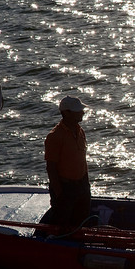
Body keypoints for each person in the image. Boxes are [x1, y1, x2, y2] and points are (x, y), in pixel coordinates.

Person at [42, 96, 91, 231]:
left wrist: (86, 184)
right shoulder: (55, 136)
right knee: (62, 223)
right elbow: (51, 168)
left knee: (81, 220)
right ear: (67, 113)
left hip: (81, 185)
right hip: (65, 187)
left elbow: (82, 159)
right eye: (78, 111)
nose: (82, 112)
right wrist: (59, 194)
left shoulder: (80, 131)